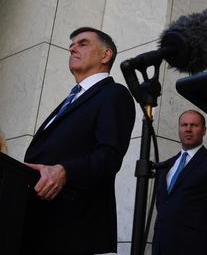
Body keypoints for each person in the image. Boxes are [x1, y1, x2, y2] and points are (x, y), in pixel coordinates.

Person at [22, 27, 135, 255]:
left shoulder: (114, 94)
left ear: (106, 55)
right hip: (41, 225)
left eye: (82, 43)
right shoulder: (71, 99)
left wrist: (65, 171)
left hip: (74, 230)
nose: (72, 48)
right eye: (72, 44)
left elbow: (109, 156)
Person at [152, 109, 207, 255]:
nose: (188, 129)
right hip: (161, 245)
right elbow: (162, 205)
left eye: (194, 125)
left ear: (204, 130)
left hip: (195, 247)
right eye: (184, 125)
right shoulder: (167, 165)